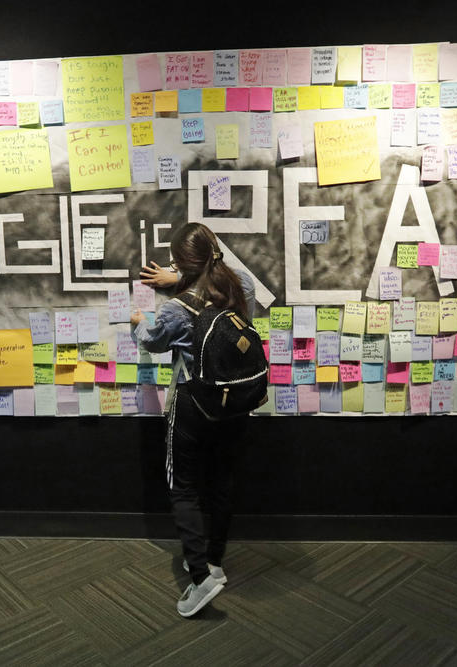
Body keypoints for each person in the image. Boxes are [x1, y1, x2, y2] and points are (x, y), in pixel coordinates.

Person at [131, 222, 256, 617]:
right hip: (235, 403)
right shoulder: (241, 289)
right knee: (222, 482)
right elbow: (235, 272)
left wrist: (138, 322)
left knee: (183, 487)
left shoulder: (177, 307)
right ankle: (214, 559)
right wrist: (185, 273)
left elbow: (150, 340)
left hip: (192, 404)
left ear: (182, 263)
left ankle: (201, 577)